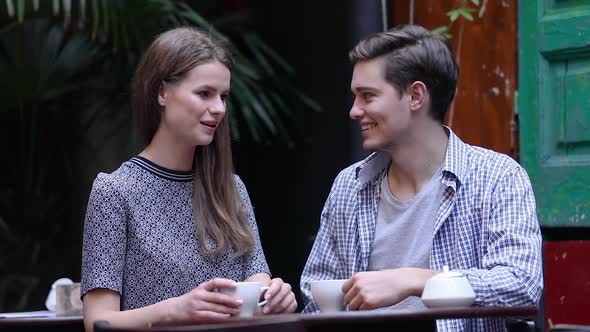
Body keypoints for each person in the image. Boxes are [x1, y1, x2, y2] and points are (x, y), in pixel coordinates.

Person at [300, 24, 543, 331]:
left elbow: (521, 283)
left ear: (415, 96)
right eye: (355, 97)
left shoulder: (497, 177)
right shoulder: (350, 185)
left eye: (367, 96)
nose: (354, 111)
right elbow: (314, 291)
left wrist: (416, 280)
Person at [81, 27, 297, 332]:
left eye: (223, 96)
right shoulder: (115, 191)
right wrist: (175, 310)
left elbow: (257, 279)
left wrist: (274, 297)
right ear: (162, 92)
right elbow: (97, 322)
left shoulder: (231, 188)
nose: (219, 109)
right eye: (204, 94)